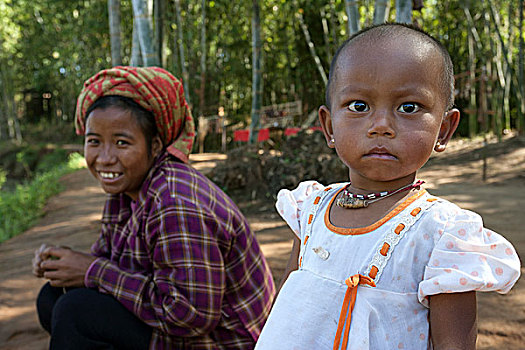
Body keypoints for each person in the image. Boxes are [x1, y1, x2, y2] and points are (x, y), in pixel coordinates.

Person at [255, 23, 521, 350]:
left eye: (408, 107)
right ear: (328, 126)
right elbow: (289, 309)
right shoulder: (309, 211)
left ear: (444, 129)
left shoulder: (444, 236)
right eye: (359, 106)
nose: (381, 125)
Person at [32, 66, 275, 350]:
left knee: (75, 313)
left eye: (122, 142)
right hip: (183, 328)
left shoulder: (175, 202)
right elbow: (108, 259)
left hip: (223, 342)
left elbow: (191, 316)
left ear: (156, 144)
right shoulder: (126, 190)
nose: (105, 158)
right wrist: (64, 264)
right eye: (94, 142)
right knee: (53, 297)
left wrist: (92, 270)